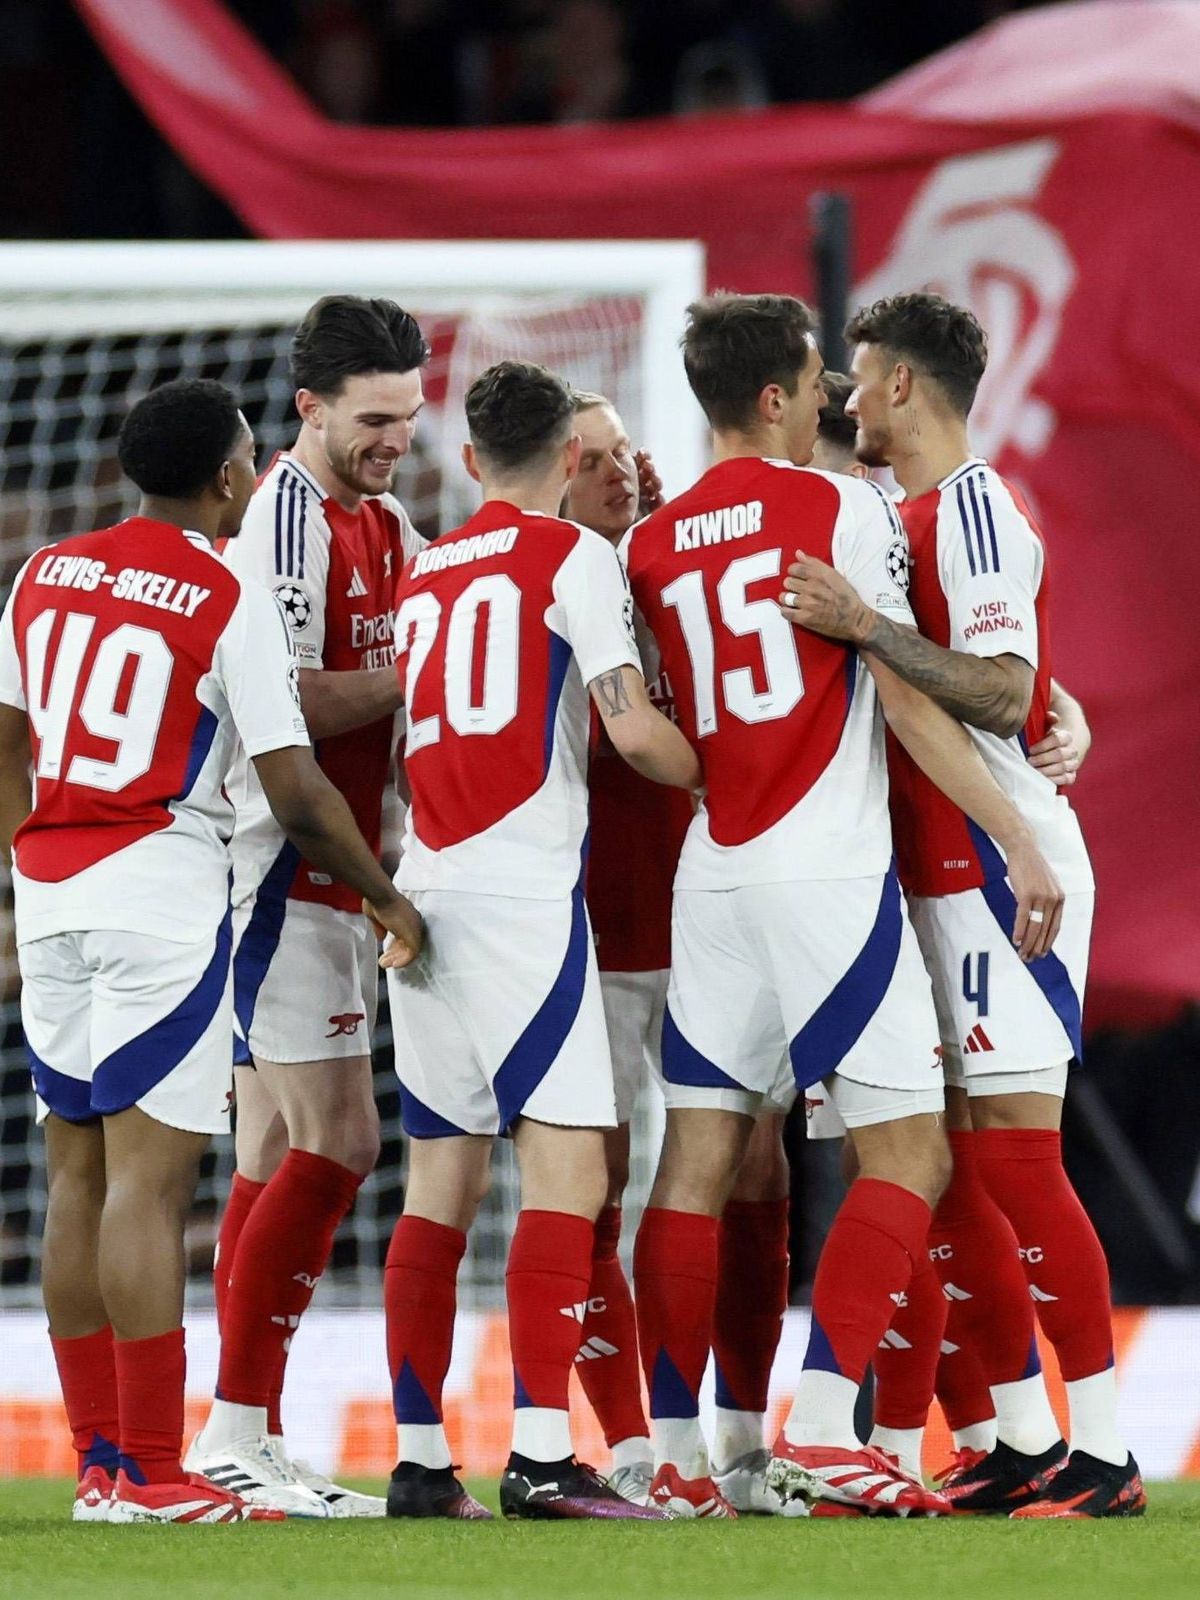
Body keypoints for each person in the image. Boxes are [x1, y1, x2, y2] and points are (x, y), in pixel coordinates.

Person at [622, 292, 1063, 1520]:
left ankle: (672, 1450)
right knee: (912, 1150)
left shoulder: (648, 546)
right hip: (824, 863)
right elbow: (910, 691)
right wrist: (1018, 829)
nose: (834, 398)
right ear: (775, 398)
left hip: (711, 865)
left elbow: (648, 720)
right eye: (821, 380)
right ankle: (823, 1426)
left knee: (698, 1156)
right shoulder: (842, 507)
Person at [0, 379, 422, 1525]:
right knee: (147, 1182)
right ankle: (152, 1466)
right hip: (161, 891)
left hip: (48, 890)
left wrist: (30, 868)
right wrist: (388, 895)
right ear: (230, 477)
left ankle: (97, 1461)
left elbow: (7, 746)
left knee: (74, 1179)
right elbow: (294, 790)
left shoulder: (45, 575)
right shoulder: (225, 592)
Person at [779, 291, 1143, 1519]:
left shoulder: (976, 508)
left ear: (898, 386)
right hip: (919, 877)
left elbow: (995, 687)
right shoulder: (900, 513)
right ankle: (1026, 1442)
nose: (842, 394)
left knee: (1018, 1161)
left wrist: (871, 627)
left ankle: (1104, 1456)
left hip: (1002, 871)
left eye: (856, 374)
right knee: (939, 1172)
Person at [383, 360, 700, 1521]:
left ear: (470, 462)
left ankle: (420, 1463)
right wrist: (736, 780)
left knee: (436, 1182)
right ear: (570, 461)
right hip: (522, 897)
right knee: (569, 1171)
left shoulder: (426, 568)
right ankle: (537, 1452)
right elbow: (631, 726)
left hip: (421, 892)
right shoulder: (575, 558)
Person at [186, 296, 427, 1516]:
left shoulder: (384, 518)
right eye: (374, 418)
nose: (396, 439)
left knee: (274, 1149)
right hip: (282, 858)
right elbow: (285, 705)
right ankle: (234, 1428)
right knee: (342, 1140)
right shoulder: (284, 517)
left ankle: (239, 1433)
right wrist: (417, 668)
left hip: (336, 859)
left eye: (409, 416)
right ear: (310, 409)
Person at [568, 390, 806, 1515]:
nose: (628, 471)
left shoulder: (669, 575)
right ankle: (636, 1443)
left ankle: (744, 1443)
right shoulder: (547, 592)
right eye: (601, 457)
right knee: (595, 1185)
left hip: (716, 911)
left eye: (630, 452)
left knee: (755, 1165)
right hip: (599, 932)